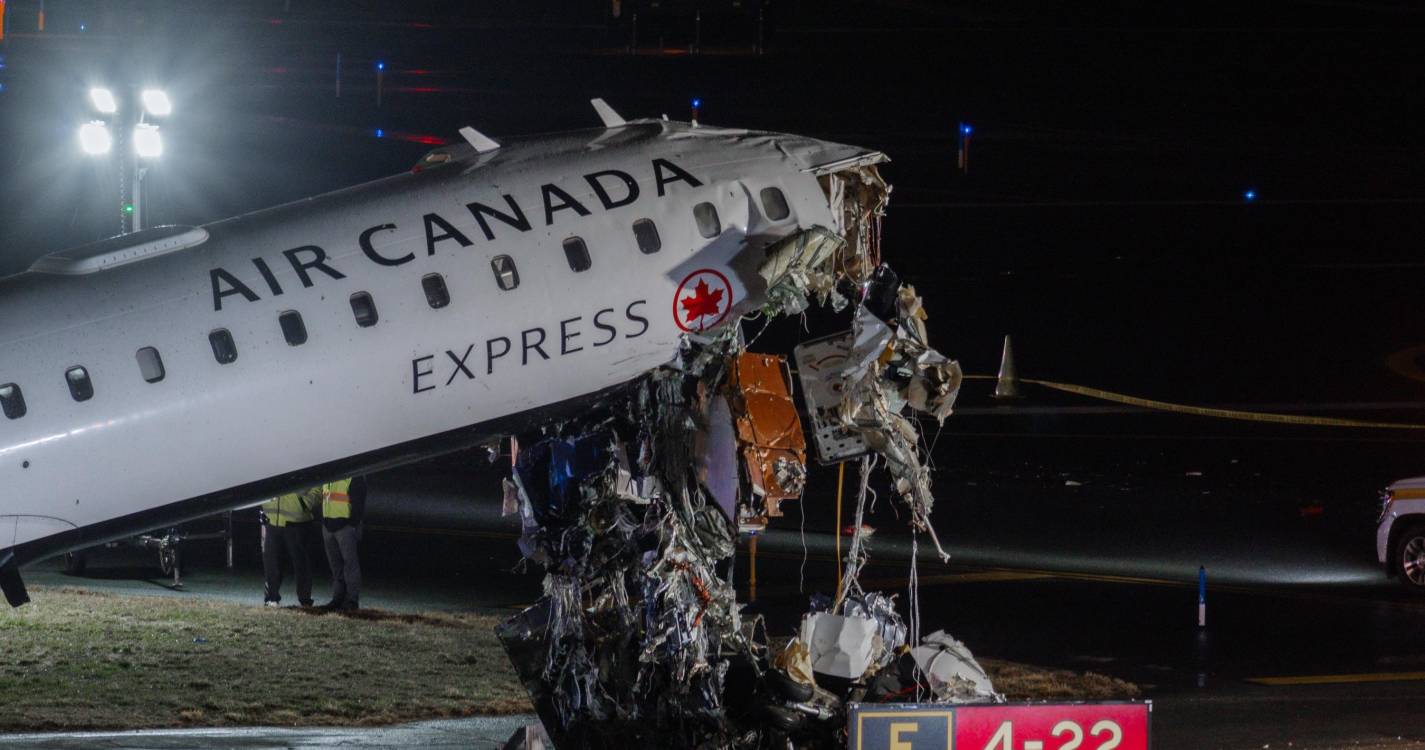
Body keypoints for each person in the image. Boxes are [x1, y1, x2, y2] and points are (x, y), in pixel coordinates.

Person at [259, 488, 319, 607]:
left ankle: (305, 599)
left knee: (301, 563)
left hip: (298, 522)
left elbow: (318, 485)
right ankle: (271, 597)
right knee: (271, 561)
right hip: (272, 520)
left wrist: (304, 504)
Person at [320, 476, 367, 610]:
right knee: (336, 567)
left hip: (344, 527)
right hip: (329, 526)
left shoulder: (354, 477)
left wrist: (351, 524)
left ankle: (352, 600)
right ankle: (338, 598)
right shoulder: (329, 476)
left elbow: (359, 503)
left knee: (350, 565)